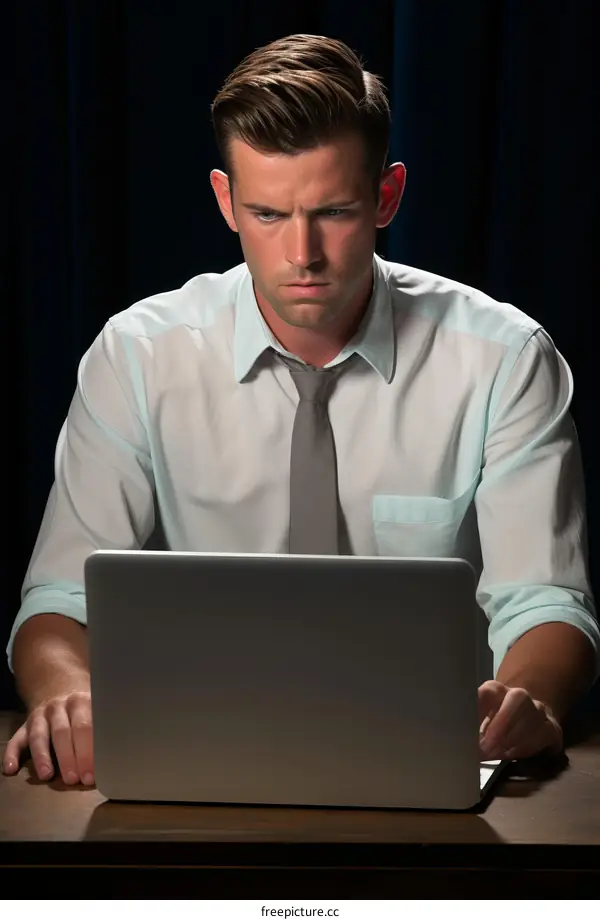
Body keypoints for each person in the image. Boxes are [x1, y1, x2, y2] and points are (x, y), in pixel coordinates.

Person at [3, 33, 599, 789]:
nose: (302, 254)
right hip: (197, 753)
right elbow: (57, 600)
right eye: (268, 214)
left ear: (387, 197)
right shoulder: (138, 355)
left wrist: (532, 701)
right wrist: (63, 691)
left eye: (334, 212)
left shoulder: (506, 358)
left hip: (430, 756)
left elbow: (546, 600)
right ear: (225, 201)